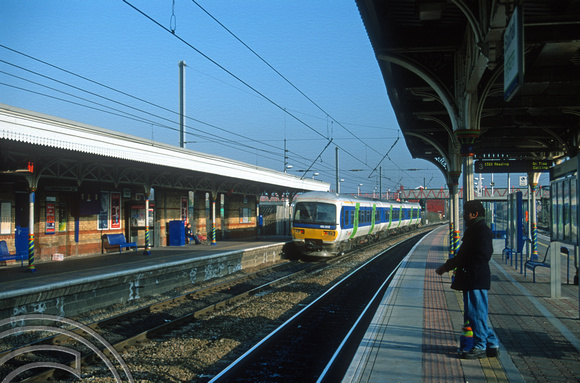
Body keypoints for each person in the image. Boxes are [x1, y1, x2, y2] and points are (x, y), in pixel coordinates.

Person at [435, 200, 500, 359]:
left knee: (476, 313)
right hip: (472, 277)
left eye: (466, 213)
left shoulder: (481, 230)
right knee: (476, 313)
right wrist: (447, 266)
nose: (463, 216)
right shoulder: (475, 229)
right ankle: (491, 342)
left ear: (474, 214)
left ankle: (480, 346)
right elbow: (463, 255)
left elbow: (483, 255)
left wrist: (462, 266)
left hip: (475, 278)